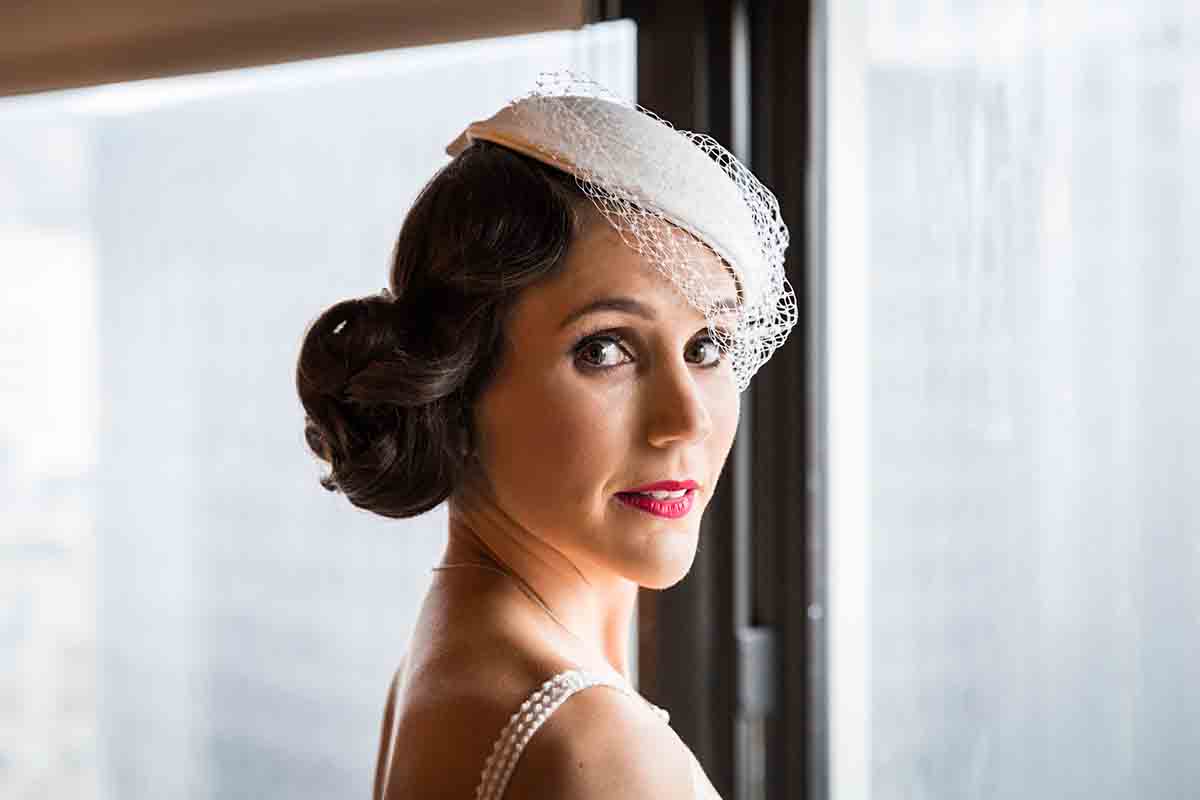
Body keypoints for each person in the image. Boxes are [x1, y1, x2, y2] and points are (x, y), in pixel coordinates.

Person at [295, 73, 795, 799]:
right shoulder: (599, 751)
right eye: (605, 350)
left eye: (707, 345)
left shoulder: (454, 653)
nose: (685, 419)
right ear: (457, 386)